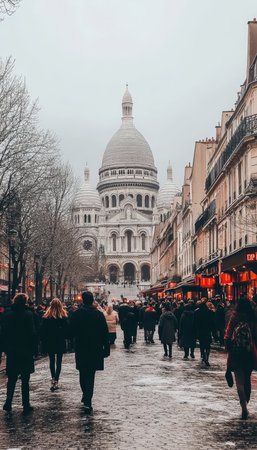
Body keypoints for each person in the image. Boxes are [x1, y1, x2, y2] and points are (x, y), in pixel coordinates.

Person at [70, 291, 110, 413]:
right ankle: (88, 398)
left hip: (81, 347)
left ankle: (86, 396)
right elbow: (105, 332)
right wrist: (106, 348)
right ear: (92, 300)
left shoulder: (77, 314)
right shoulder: (98, 314)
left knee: (82, 373)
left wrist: (72, 343)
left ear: (82, 300)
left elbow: (71, 330)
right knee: (91, 375)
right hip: (95, 348)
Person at [0, 293, 36, 414]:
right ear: (25, 301)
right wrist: (34, 349)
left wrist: (4, 349)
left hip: (12, 350)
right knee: (25, 379)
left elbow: (3, 333)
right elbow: (32, 333)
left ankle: (8, 401)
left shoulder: (7, 315)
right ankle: (25, 403)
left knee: (12, 378)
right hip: (25, 350)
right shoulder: (28, 314)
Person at [224, 297, 257, 420]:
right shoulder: (252, 317)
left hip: (236, 352)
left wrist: (227, 346)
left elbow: (228, 332)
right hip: (249, 352)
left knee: (239, 381)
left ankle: (243, 405)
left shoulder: (235, 317)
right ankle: (246, 402)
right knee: (247, 379)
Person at [40, 298, 69, 391]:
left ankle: (53, 378)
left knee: (51, 361)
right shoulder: (63, 316)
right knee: (59, 361)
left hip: (50, 340)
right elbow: (67, 329)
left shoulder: (46, 316)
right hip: (60, 340)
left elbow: (43, 330)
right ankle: (56, 379)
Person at [194, 297, 215, 366]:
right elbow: (212, 322)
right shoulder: (209, 312)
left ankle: (203, 355)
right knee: (208, 345)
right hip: (207, 330)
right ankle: (206, 356)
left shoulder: (197, 312)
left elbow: (195, 322)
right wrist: (213, 330)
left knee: (202, 343)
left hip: (200, 330)